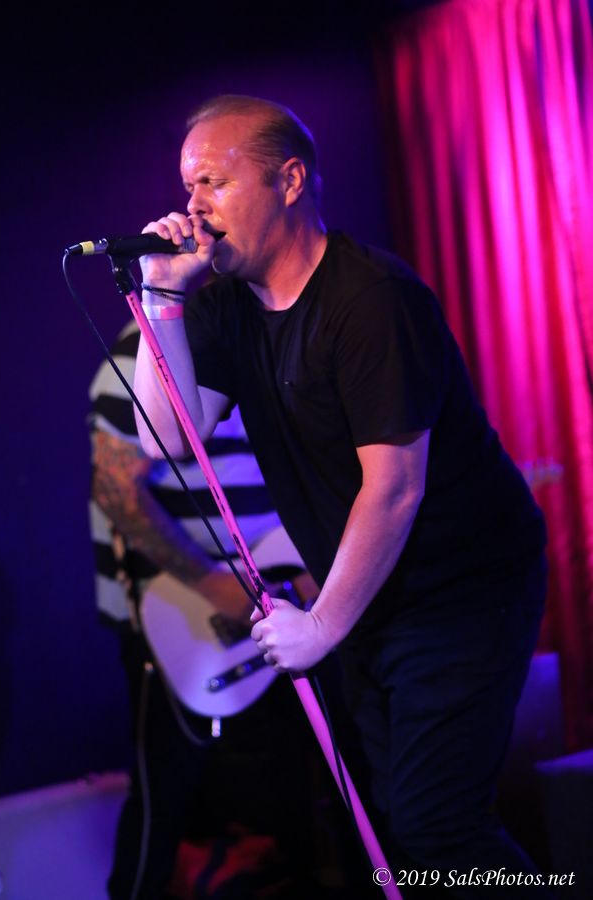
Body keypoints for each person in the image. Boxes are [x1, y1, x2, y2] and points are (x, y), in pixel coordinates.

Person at [132, 94, 550, 896]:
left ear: (290, 181)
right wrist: (164, 302)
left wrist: (323, 623)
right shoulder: (224, 305)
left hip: (459, 590)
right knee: (388, 825)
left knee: (437, 828)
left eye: (215, 181)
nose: (195, 205)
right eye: (189, 187)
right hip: (372, 591)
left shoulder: (371, 299)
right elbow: (167, 441)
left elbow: (394, 487)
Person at [89, 319, 327, 899]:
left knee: (301, 791)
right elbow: (116, 489)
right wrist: (213, 585)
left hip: (276, 606)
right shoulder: (139, 350)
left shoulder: (254, 334)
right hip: (185, 620)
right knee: (163, 799)